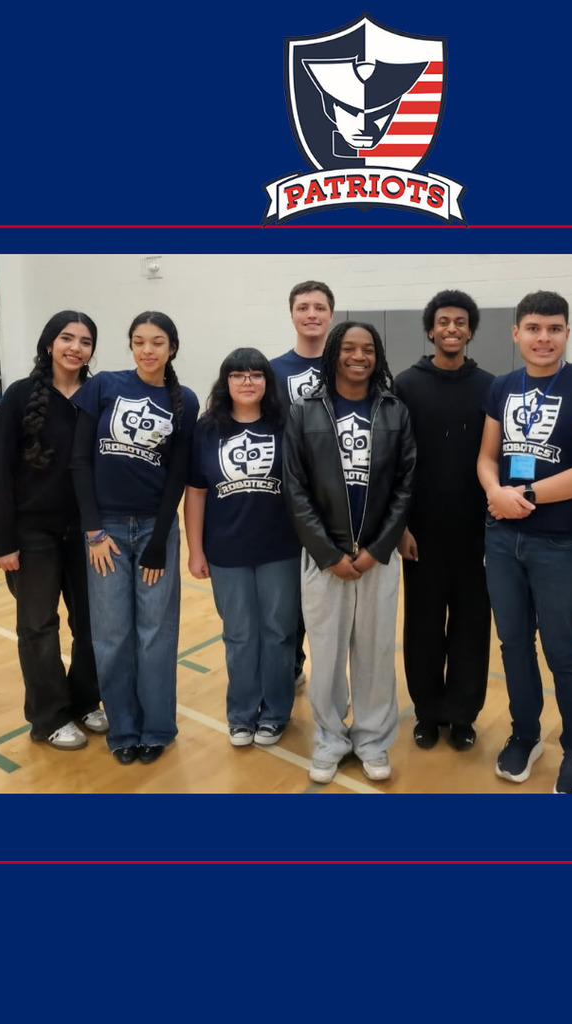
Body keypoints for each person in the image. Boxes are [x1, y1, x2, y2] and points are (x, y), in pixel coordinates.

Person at [477, 291, 572, 793]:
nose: (543, 337)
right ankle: (526, 734)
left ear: (566, 333)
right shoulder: (501, 386)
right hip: (500, 538)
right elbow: (486, 456)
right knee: (514, 644)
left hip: (557, 544)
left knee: (563, 650)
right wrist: (496, 491)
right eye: (533, 328)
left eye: (553, 328)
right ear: (515, 333)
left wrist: (526, 495)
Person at [283, 321, 415, 784]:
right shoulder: (304, 411)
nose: (359, 356)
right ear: (334, 352)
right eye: (349, 348)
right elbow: (295, 488)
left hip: (377, 559)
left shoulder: (395, 411)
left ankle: (373, 739)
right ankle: (329, 738)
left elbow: (405, 486)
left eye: (368, 349)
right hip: (325, 559)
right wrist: (326, 552)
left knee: (376, 653)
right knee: (326, 653)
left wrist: (378, 549)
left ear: (377, 357)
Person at [71, 312, 198, 766]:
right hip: (105, 533)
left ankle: (157, 727)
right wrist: (93, 532)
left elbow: (178, 475)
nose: (148, 350)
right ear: (130, 347)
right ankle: (123, 728)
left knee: (155, 635)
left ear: (172, 348)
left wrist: (161, 536)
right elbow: (80, 461)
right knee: (111, 634)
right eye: (140, 342)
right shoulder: (104, 385)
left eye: (157, 342)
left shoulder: (184, 399)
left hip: (154, 529)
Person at [0, 311, 106, 750]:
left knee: (93, 625)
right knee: (38, 626)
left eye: (85, 341)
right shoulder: (20, 396)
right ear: (49, 343)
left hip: (88, 533)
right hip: (32, 534)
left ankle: (85, 700)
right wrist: (3, 541)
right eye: (66, 338)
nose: (76, 347)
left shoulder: (100, 395)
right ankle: (49, 716)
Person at [185, 349, 300, 748]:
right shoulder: (206, 429)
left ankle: (275, 713)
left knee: (279, 633)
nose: (247, 381)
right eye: (238, 375)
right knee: (238, 634)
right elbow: (196, 493)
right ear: (226, 382)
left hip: (280, 549)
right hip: (226, 550)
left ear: (268, 382)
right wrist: (195, 550)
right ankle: (241, 714)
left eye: (255, 375)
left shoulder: (287, 425)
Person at [394, 289, 493, 751]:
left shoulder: (492, 387)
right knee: (424, 627)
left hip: (477, 533)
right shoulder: (405, 385)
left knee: (473, 627)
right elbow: (395, 462)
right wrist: (401, 527)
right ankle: (428, 712)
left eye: (460, 321)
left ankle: (463, 714)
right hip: (422, 534)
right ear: (431, 330)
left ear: (471, 330)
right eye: (443, 321)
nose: (451, 328)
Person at [270, 280, 335, 689]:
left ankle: (329, 675)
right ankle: (291, 667)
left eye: (319, 307)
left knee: (326, 595)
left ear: (331, 314)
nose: (311, 314)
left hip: (334, 500)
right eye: (303, 307)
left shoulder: (345, 365)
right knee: (287, 596)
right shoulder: (273, 370)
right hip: (284, 499)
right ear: (291, 313)